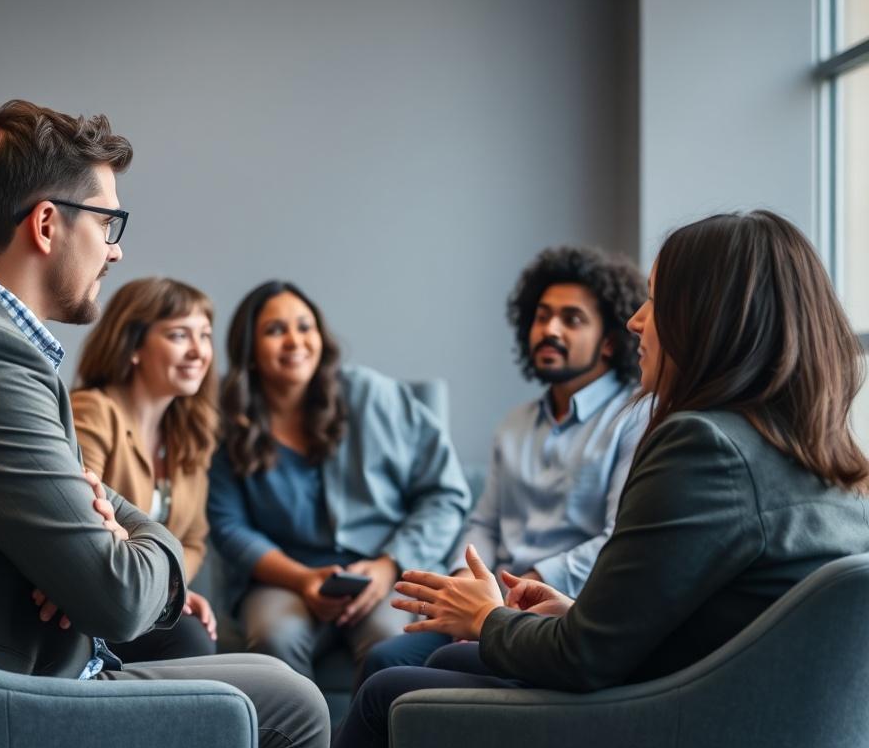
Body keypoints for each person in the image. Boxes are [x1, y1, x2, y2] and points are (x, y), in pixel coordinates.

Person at [0, 100, 328, 748]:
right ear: (47, 224)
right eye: (108, 222)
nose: (116, 247)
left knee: (276, 684)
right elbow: (119, 597)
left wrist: (107, 540)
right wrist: (137, 544)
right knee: (293, 710)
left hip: (19, 666)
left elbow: (96, 513)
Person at [328, 209, 869, 748]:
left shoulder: (703, 447)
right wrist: (570, 612)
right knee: (442, 666)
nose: (635, 321)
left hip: (680, 729)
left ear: (711, 319)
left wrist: (488, 618)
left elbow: (584, 660)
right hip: (739, 715)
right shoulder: (825, 462)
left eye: (655, 300)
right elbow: (718, 623)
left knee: (385, 695)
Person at [359, 246, 648, 682]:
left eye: (571, 319)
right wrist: (461, 575)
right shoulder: (514, 425)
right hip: (492, 601)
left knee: (425, 670)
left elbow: (616, 538)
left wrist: (520, 584)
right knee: (383, 659)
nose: (549, 329)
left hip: (561, 612)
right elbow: (486, 523)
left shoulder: (635, 417)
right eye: (542, 316)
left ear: (609, 341)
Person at [206, 280, 472, 680]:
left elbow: (444, 493)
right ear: (251, 351)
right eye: (275, 330)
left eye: (304, 326)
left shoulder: (373, 396)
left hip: (391, 568)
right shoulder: (228, 421)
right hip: (284, 578)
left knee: (390, 638)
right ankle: (298, 745)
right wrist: (302, 578)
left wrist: (388, 565)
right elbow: (229, 526)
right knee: (275, 636)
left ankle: (369, 745)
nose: (295, 341)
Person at [72, 277, 220, 660]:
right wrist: (162, 587)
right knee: (191, 639)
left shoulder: (190, 434)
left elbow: (192, 541)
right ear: (133, 345)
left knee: (194, 631)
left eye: (204, 336)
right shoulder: (93, 411)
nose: (198, 352)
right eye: (179, 336)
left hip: (142, 597)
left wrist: (173, 589)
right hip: (96, 598)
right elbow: (84, 515)